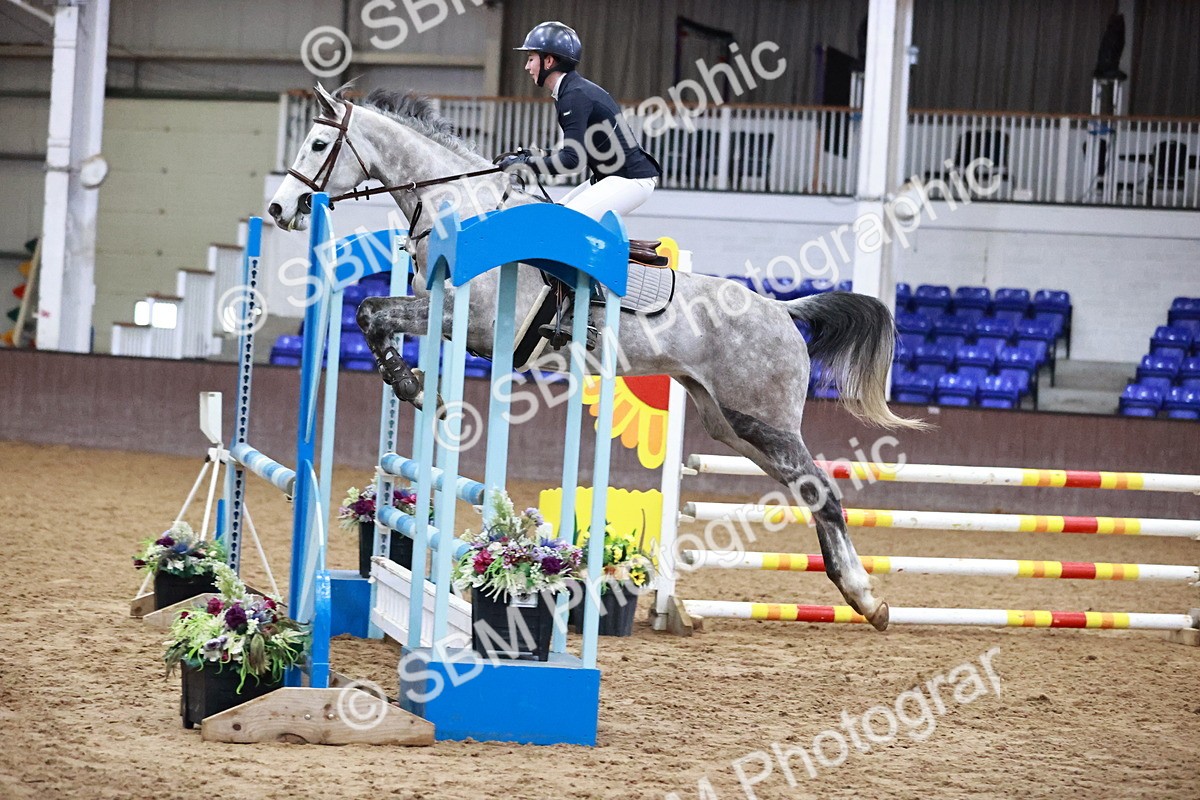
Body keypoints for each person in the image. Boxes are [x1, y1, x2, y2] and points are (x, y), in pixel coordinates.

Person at [496, 21, 663, 347]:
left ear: (549, 61)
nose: (527, 65)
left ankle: (581, 320)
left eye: (531, 58)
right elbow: (574, 155)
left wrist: (526, 164)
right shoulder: (570, 91)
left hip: (631, 179)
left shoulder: (574, 95)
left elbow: (570, 161)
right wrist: (529, 156)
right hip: (609, 176)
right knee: (555, 216)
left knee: (564, 229)